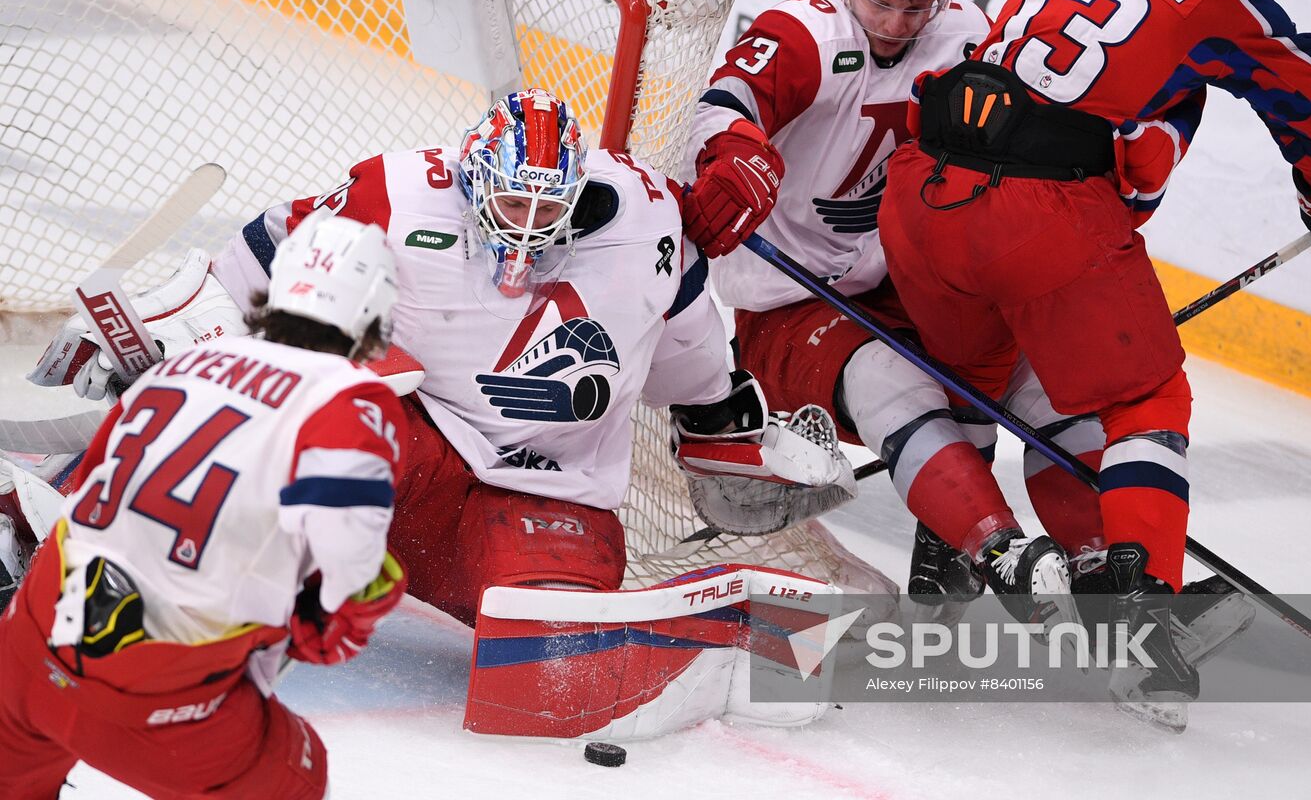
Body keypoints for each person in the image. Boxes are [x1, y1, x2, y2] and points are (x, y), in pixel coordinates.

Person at [879, 0, 1311, 725]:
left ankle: (946, 565)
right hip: (1035, 216)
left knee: (979, 378)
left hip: (921, 193)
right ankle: (1142, 625)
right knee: (1146, 396)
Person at [31, 87, 813, 632]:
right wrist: (169, 332)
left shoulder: (648, 221)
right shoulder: (399, 193)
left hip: (547, 493)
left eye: (552, 209)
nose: (530, 229)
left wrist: (716, 414)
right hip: (413, 452)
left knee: (549, 645)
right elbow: (262, 260)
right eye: (514, 203)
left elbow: (685, 342)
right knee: (297, 421)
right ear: (475, 180)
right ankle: (65, 518)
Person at [683, 0, 1105, 622]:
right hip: (790, 297)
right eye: (880, 3)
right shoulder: (805, 33)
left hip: (909, 277)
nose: (894, 25)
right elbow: (721, 104)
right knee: (891, 377)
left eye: (915, 9)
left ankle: (1110, 573)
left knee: (1048, 371)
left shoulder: (968, 33)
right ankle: (996, 547)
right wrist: (733, 151)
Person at [0, 213, 407, 798]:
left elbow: (88, 487)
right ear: (375, 314)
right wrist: (338, 616)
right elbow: (350, 555)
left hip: (28, 648)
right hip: (155, 702)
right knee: (297, 776)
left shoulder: (181, 366)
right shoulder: (351, 398)